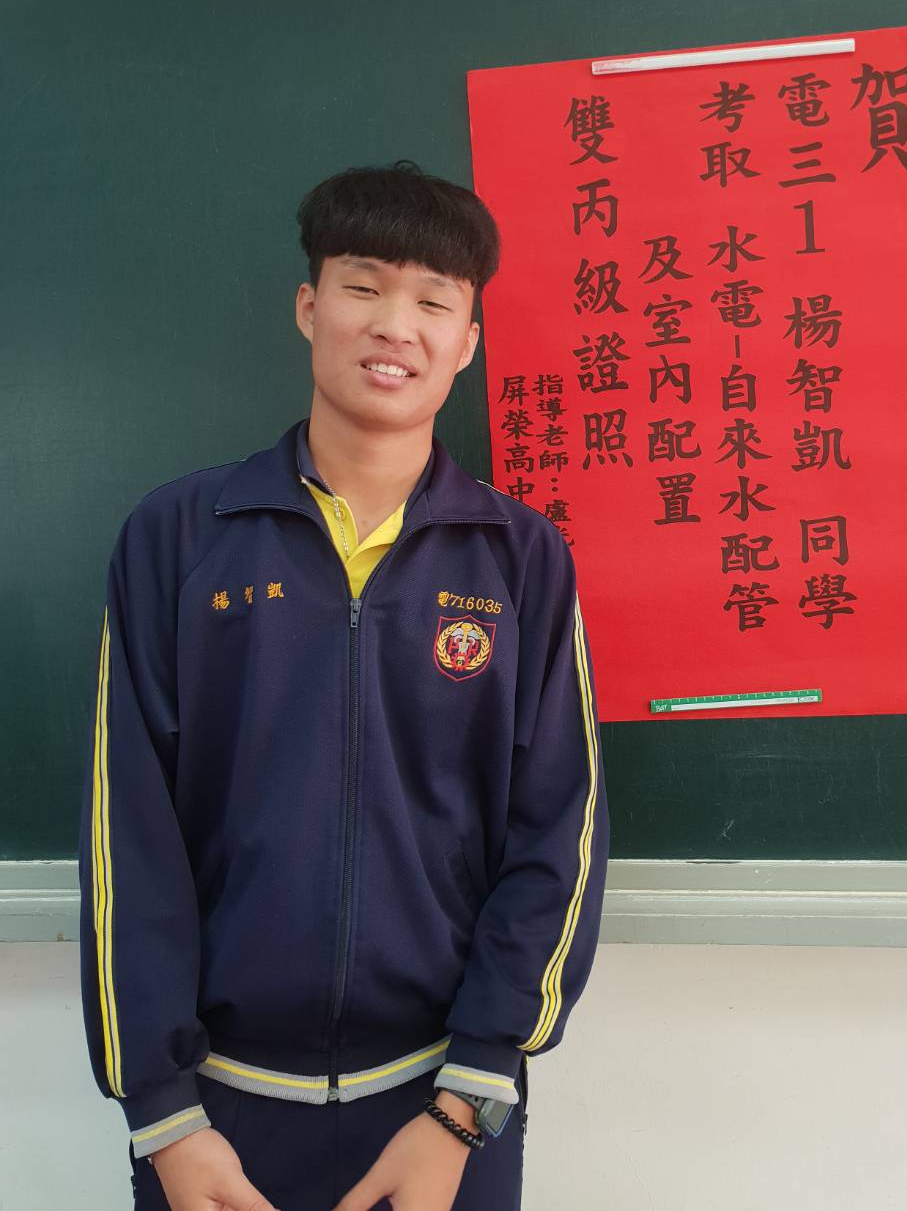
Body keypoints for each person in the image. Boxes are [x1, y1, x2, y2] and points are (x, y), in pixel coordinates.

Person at [78, 162, 610, 1211]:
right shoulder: (178, 538)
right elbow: (125, 835)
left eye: (433, 301)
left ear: (468, 339)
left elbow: (560, 829)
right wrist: (164, 1116)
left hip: (439, 1108)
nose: (393, 326)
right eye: (363, 286)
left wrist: (468, 1099)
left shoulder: (521, 557)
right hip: (214, 1115)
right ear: (308, 306)